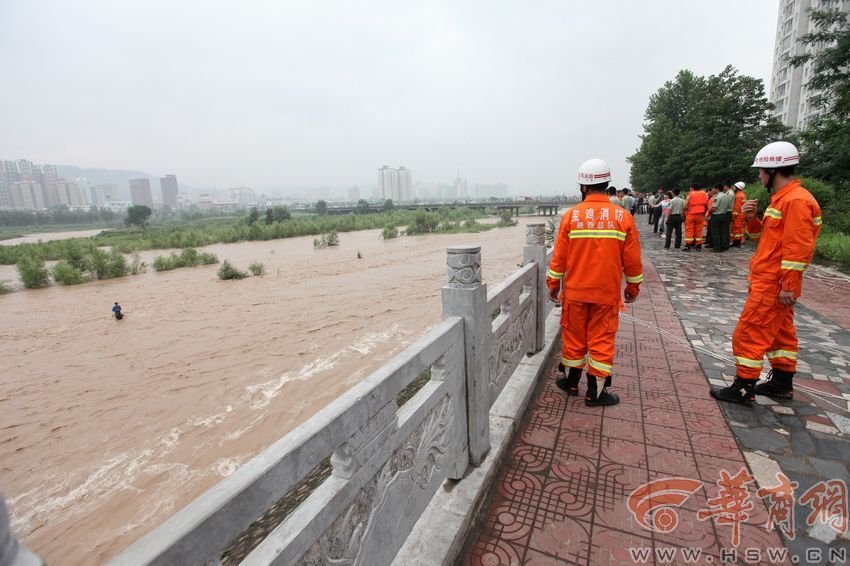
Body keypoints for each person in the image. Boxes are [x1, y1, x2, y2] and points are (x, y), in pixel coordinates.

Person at [710, 141, 822, 406]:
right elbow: (765, 239)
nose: (759, 176)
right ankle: (782, 383)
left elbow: (797, 249)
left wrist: (788, 286)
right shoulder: (783, 200)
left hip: (774, 283)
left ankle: (743, 386)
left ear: (774, 171)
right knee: (781, 334)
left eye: (761, 171)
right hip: (771, 280)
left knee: (749, 332)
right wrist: (751, 220)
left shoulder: (796, 201)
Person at [547, 158, 644, 407]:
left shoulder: (571, 217)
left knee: (574, 338)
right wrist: (632, 288)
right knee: (601, 341)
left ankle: (570, 382)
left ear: (583, 187)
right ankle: (596, 393)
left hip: (575, 293)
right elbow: (632, 261)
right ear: (607, 184)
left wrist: (553, 285)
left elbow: (559, 259)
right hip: (606, 294)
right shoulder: (622, 217)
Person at [683, 183, 708, 251]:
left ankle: (688, 245)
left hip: (691, 214)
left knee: (689, 230)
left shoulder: (690, 194)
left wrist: (686, 210)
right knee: (699, 230)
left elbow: (685, 205)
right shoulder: (703, 194)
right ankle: (699, 246)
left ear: (692, 188)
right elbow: (706, 204)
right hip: (700, 215)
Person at [712, 182, 733, 252]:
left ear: (717, 189)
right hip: (724, 215)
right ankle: (722, 246)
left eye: (714, 189)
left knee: (716, 232)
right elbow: (729, 206)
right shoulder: (726, 196)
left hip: (716, 215)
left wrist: (709, 212)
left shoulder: (717, 197)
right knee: (723, 232)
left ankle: (717, 247)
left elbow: (714, 208)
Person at [730, 181, 747, 247]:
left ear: (737, 188)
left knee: (736, 229)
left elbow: (737, 208)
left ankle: (736, 242)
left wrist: (733, 217)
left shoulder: (738, 196)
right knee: (739, 229)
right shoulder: (743, 194)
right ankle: (738, 242)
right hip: (742, 214)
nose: (733, 188)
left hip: (738, 215)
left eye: (734, 187)